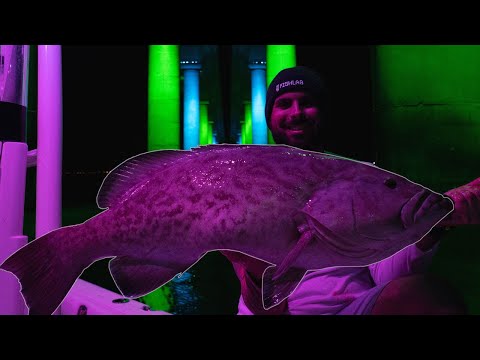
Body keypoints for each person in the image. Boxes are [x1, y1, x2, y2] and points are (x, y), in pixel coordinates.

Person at [223, 65, 479, 315]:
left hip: (352, 308)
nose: (296, 112)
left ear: (323, 112)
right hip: (272, 311)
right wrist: (253, 268)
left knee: (431, 295)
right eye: (284, 104)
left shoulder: (363, 179)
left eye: (306, 102)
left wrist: (427, 228)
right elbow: (264, 307)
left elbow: (389, 277)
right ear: (269, 117)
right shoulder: (246, 187)